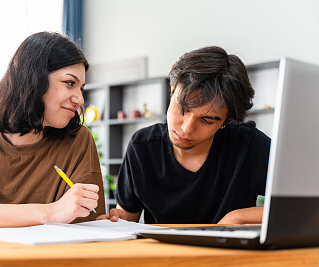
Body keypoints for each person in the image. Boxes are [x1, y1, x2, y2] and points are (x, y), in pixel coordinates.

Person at [0, 32, 105, 228]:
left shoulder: (79, 140)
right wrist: (51, 212)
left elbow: (85, 225)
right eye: (69, 83)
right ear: (34, 79)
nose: (80, 100)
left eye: (81, 88)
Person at [98, 46, 270, 224]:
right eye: (183, 109)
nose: (187, 128)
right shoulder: (142, 147)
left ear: (226, 121)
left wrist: (238, 217)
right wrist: (114, 222)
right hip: (163, 252)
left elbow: (299, 207)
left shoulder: (248, 145)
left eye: (207, 120)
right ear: (172, 88)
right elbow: (127, 219)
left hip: (225, 251)